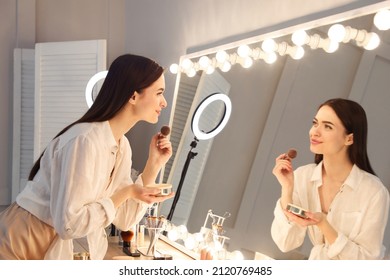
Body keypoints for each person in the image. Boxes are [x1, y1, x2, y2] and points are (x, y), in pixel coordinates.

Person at [0, 54, 174, 260]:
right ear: (133, 96)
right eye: (159, 93)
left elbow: (125, 219)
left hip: (52, 242)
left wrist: (153, 165)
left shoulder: (122, 146)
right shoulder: (85, 140)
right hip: (23, 239)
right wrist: (127, 192)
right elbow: (69, 224)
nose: (164, 102)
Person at [271, 98, 389, 260]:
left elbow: (367, 261)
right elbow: (286, 242)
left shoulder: (374, 192)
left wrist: (324, 224)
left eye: (327, 126)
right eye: (315, 123)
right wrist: (287, 190)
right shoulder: (302, 176)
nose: (315, 132)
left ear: (349, 139)